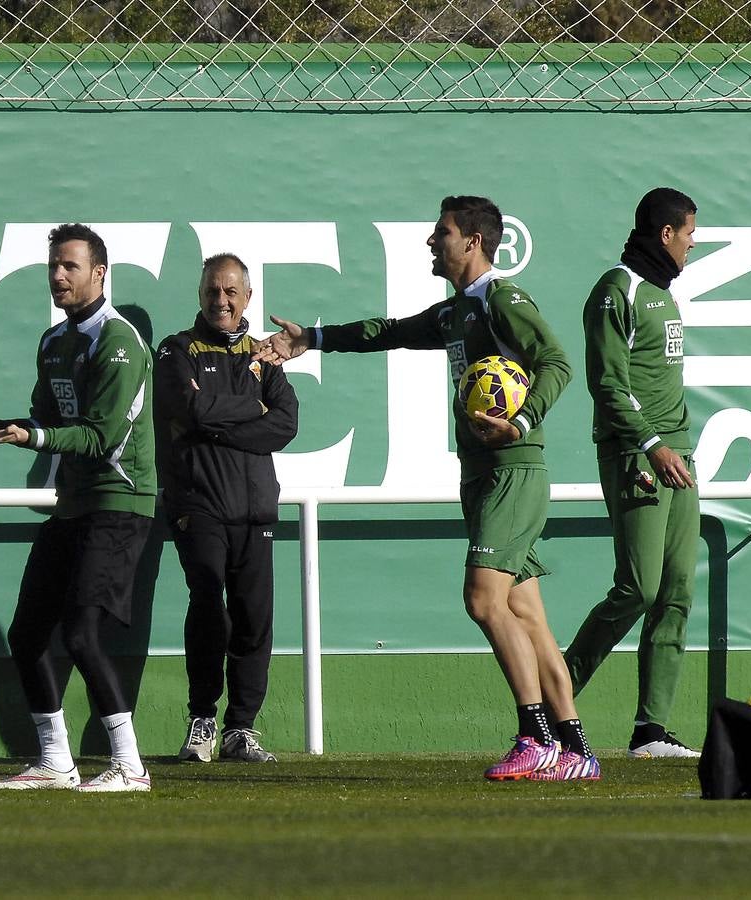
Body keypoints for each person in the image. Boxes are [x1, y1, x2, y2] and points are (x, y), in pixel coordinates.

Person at [255, 196, 600, 782]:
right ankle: (576, 751)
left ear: (473, 241)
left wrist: (519, 420)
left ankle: (534, 737)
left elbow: (558, 364)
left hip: (512, 469)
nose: (430, 242)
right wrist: (312, 338)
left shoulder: (501, 298)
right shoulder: (457, 310)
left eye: (440, 233)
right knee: (525, 613)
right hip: (486, 474)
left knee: (483, 600)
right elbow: (388, 332)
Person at [0, 223, 158, 792]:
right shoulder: (55, 342)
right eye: (54, 265)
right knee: (27, 635)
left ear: (100, 274)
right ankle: (55, 762)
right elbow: (41, 422)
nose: (58, 275)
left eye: (70, 266)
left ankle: (129, 766)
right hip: (72, 504)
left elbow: (97, 438)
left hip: (120, 502)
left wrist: (28, 437)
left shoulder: (119, 342)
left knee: (80, 634)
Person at [564, 188, 702, 759]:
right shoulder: (615, 289)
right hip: (637, 457)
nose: (692, 244)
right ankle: (549, 702)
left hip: (678, 457)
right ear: (665, 234)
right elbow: (607, 383)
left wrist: (677, 448)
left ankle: (651, 731)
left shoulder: (665, 296)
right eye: (689, 233)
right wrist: (651, 446)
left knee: (676, 593)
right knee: (638, 588)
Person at [154, 253, 298, 763]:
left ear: (247, 299)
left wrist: (217, 419)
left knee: (254, 620)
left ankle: (241, 729)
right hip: (199, 505)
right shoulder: (176, 350)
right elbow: (189, 407)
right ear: (200, 294)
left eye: (231, 292)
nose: (221, 301)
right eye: (213, 291)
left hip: (256, 508)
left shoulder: (262, 357)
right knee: (208, 607)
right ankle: (202, 719)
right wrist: (248, 411)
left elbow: (285, 423)